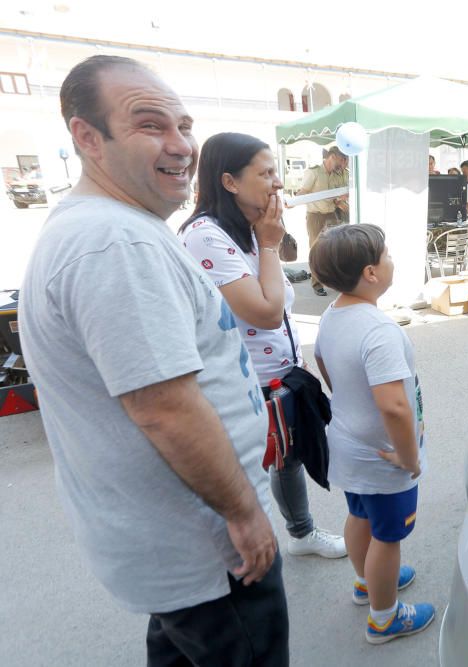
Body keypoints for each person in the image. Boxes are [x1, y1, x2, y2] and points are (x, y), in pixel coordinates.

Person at [19, 55, 288, 665]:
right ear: (87, 136)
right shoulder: (115, 243)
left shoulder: (116, 226)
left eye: (184, 126)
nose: (181, 145)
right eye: (150, 125)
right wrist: (243, 514)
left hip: (182, 546)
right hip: (208, 552)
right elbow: (165, 408)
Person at [178, 132, 347, 561]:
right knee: (249, 466)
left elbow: (278, 291)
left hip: (281, 369)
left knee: (287, 456)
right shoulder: (205, 236)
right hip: (242, 384)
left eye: (276, 172)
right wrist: (269, 243)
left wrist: (270, 238)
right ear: (230, 182)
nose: (277, 183)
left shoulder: (250, 228)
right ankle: (241, 550)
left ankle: (300, 533)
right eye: (266, 173)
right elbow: (266, 312)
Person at [309, 224, 434, 644]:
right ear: (371, 273)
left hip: (348, 442)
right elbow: (394, 406)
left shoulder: (333, 315)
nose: (391, 259)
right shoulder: (378, 331)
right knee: (389, 535)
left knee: (361, 515)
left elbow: (324, 364)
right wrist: (409, 458)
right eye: (387, 254)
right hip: (384, 454)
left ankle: (367, 582)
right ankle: (385, 617)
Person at [298, 145, 349, 296]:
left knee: (335, 248)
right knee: (316, 250)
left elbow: (333, 198)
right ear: (332, 157)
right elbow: (303, 192)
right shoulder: (314, 172)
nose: (342, 163)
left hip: (331, 215)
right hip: (315, 216)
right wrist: (293, 201)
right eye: (340, 159)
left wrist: (340, 201)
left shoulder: (334, 175)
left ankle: (334, 280)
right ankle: (316, 283)